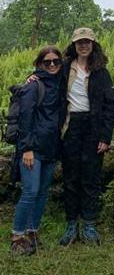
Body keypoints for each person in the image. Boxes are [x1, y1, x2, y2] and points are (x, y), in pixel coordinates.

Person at [57, 27, 114, 245]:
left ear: (93, 45)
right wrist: (31, 80)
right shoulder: (64, 68)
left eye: (87, 42)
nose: (83, 45)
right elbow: (45, 78)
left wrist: (105, 136)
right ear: (74, 45)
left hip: (93, 128)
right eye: (79, 42)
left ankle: (89, 225)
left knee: (91, 177)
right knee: (71, 177)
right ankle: (71, 225)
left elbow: (111, 105)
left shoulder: (101, 71)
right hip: (71, 126)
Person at [10, 46, 63, 255]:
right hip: (33, 149)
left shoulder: (59, 83)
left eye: (55, 62)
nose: (51, 65)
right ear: (39, 64)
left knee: (41, 193)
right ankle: (16, 236)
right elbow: (26, 118)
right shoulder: (34, 86)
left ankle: (32, 233)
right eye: (46, 62)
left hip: (51, 147)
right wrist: (27, 148)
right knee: (30, 191)